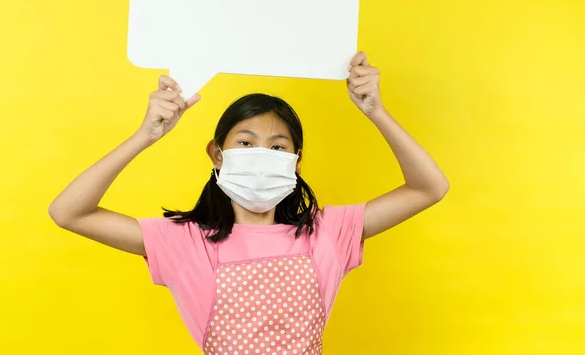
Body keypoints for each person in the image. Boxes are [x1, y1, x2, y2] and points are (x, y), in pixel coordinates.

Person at [49, 52, 449, 354]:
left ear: (296, 161)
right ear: (217, 154)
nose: (262, 154)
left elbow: (428, 188)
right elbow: (68, 212)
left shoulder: (326, 232)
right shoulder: (184, 241)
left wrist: (375, 111)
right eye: (245, 142)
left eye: (278, 146)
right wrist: (145, 136)